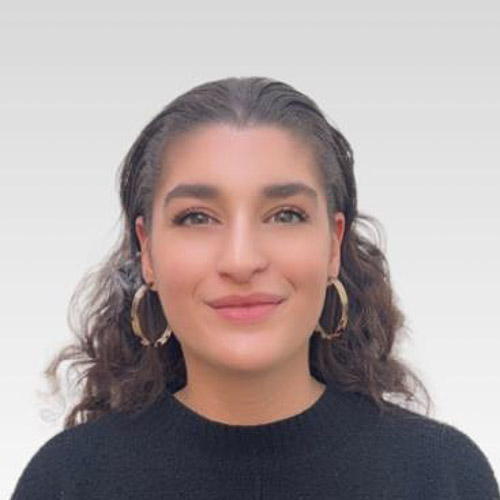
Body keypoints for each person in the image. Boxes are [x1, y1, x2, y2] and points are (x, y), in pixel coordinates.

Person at [11, 76, 499, 499]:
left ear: (333, 243)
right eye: (197, 217)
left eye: (285, 215)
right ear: (148, 251)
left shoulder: (443, 477)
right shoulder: (67, 482)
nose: (241, 260)